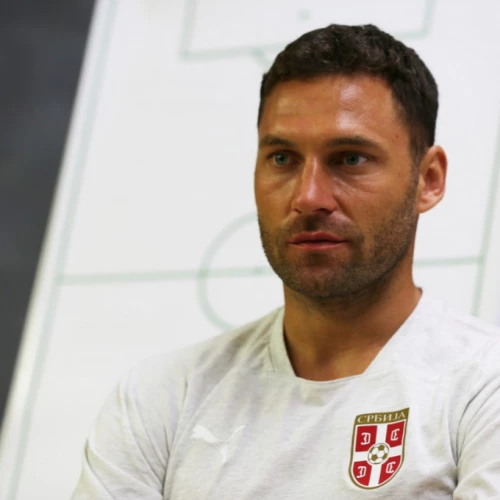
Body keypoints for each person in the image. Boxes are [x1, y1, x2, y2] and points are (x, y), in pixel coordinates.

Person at [72, 24, 500, 498]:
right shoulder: (161, 397)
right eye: (282, 159)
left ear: (429, 179)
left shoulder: (482, 386)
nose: (308, 196)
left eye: (350, 159)